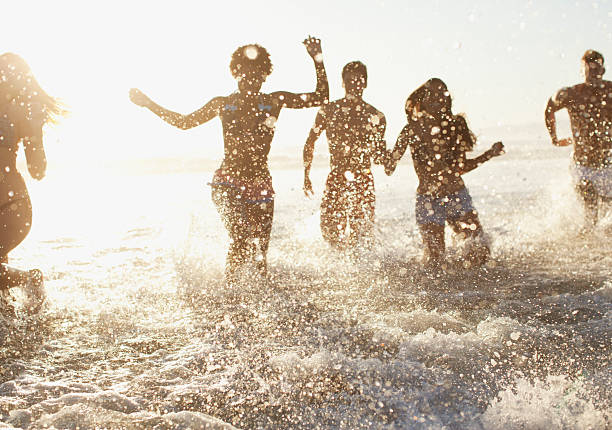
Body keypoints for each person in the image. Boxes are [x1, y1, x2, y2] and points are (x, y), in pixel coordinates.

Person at [130, 37, 328, 282]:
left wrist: (317, 59)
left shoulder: (274, 101)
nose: (250, 80)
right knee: (242, 239)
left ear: (265, 75)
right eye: (245, 74)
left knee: (259, 252)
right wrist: (149, 104)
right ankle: (229, 292)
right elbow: (184, 123)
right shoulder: (223, 104)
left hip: (261, 184)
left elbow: (321, 97)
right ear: (236, 73)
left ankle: (261, 298)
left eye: (256, 75)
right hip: (228, 182)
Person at [385, 78, 504, 268]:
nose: (437, 98)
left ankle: (470, 293)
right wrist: (381, 153)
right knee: (435, 261)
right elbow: (389, 168)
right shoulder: (411, 130)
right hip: (428, 200)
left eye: (442, 94)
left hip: (456, 196)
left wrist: (489, 154)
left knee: (481, 253)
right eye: (432, 94)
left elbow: (461, 167)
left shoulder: (454, 126)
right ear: (423, 99)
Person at [0, 53, 62, 314]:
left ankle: (31, 279)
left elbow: (37, 170)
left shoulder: (21, 114)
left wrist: (34, 133)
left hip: (11, 207)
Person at [303, 61, 388, 249]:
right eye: (349, 80)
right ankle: (339, 266)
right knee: (329, 230)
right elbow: (310, 141)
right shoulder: (329, 111)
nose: (354, 84)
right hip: (336, 176)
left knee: (361, 234)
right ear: (342, 83)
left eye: (359, 80)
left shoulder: (376, 116)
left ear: (365, 83)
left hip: (363, 179)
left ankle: (359, 270)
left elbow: (379, 156)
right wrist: (306, 174)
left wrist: (390, 157)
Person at [545, 49, 612, 227]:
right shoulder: (572, 94)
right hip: (582, 165)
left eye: (596, 68)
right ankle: (586, 238)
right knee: (590, 208)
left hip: (608, 163)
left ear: (603, 69)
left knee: (608, 211)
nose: (593, 73)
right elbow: (550, 108)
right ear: (581, 70)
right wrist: (554, 138)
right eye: (588, 68)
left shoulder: (610, 91)